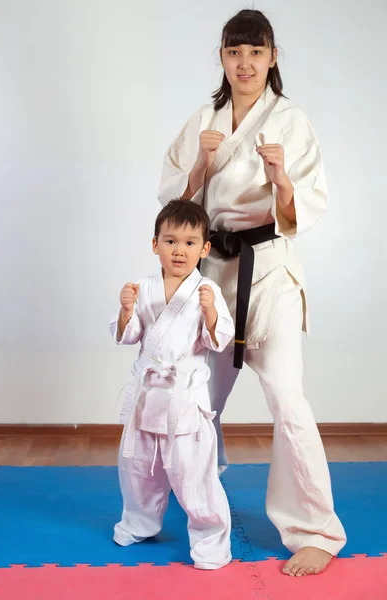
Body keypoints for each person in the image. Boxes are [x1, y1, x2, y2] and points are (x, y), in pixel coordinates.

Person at [158, 9, 347, 577]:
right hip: (210, 272)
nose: (245, 63)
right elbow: (174, 200)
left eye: (256, 52)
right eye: (234, 52)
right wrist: (200, 164)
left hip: (267, 275)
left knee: (288, 398)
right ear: (222, 56)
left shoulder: (290, 121)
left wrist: (283, 180)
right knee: (195, 397)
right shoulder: (204, 119)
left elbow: (305, 205)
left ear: (271, 58)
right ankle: (199, 501)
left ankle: (315, 528)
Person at [109, 199, 235, 570]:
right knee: (138, 469)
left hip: (184, 399)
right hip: (147, 397)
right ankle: (139, 522)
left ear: (205, 248)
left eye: (190, 242)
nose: (180, 250)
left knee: (193, 474)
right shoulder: (142, 287)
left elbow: (219, 341)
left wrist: (211, 312)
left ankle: (211, 539)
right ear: (155, 245)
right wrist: (126, 311)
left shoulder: (205, 291)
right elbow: (128, 336)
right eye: (170, 241)